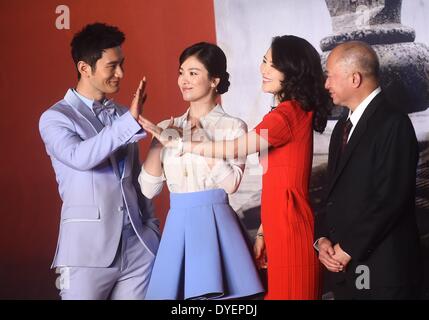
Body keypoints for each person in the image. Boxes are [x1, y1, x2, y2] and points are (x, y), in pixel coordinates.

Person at [140, 35, 331, 300]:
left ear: (292, 71)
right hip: (277, 223)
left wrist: (184, 142)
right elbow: (273, 180)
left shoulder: (286, 114)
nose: (263, 69)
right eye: (264, 61)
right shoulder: (282, 113)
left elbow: (235, 150)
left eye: (272, 64)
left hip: (288, 225)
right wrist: (264, 229)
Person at [38, 22, 160, 300]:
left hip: (138, 247)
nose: (121, 74)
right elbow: (80, 157)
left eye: (122, 64)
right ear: (84, 68)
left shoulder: (121, 114)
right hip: (86, 253)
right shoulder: (55, 117)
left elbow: (135, 175)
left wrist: (151, 228)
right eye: (112, 66)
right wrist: (128, 121)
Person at [138, 42, 264, 300]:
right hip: (178, 224)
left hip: (217, 223)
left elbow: (231, 184)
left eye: (193, 73)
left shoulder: (233, 126)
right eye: (181, 72)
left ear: (214, 80)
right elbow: (148, 189)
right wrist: (157, 142)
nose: (184, 80)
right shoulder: (167, 126)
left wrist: (195, 142)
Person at [315, 41, 422, 299]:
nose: (326, 84)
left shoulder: (394, 123)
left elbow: (391, 198)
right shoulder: (342, 128)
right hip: (346, 270)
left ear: (355, 78)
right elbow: (334, 195)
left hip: (383, 271)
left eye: (330, 76)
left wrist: (348, 248)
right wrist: (322, 241)